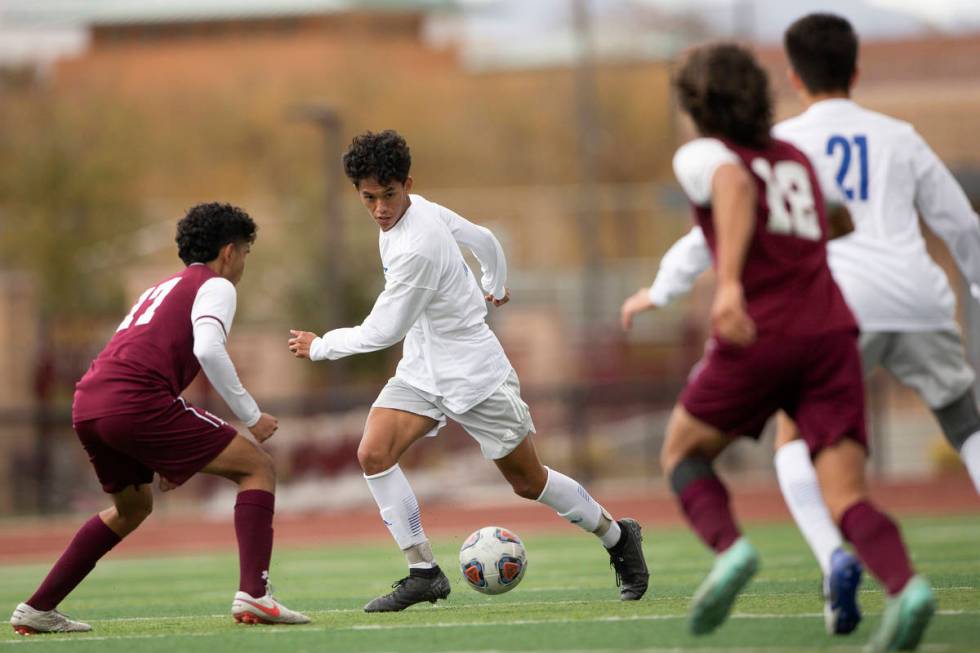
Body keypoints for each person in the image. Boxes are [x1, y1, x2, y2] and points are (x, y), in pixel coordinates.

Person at [621, 12, 980, 638]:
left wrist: (714, 286)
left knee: (684, 452)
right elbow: (840, 220)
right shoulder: (800, 159)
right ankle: (906, 585)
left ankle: (739, 549)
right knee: (855, 488)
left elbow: (731, 190)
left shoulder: (710, 156)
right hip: (839, 332)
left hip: (768, 331)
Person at [288, 129, 649, 612]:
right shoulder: (415, 214)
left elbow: (383, 329)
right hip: (422, 369)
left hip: (474, 372)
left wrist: (320, 348)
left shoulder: (418, 245)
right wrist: (493, 282)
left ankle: (617, 535)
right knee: (373, 453)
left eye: (388, 195)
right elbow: (483, 239)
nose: (378, 208)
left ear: (408, 184)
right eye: (368, 197)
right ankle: (424, 573)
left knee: (528, 481)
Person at [9, 203, 309, 636]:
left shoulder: (162, 287)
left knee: (132, 507)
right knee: (257, 466)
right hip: (133, 402)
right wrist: (251, 415)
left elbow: (141, 360)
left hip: (89, 402)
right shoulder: (217, 285)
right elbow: (208, 349)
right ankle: (255, 594)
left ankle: (38, 607)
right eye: (245, 252)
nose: (243, 263)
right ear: (228, 252)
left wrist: (165, 453)